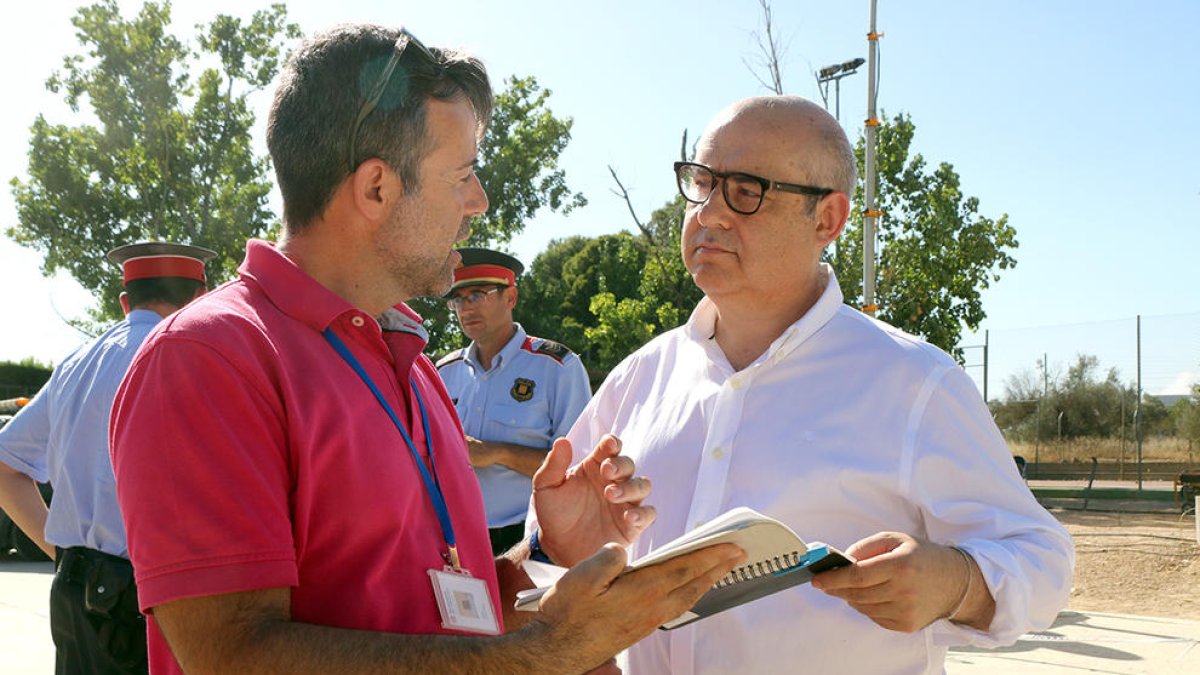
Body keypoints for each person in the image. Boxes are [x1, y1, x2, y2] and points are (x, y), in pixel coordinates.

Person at [107, 24, 743, 675]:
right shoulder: (208, 359)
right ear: (376, 188)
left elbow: (446, 611)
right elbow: (234, 655)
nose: (479, 202)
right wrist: (546, 654)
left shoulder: (411, 365)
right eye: (463, 175)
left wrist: (551, 549)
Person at [550, 96, 1075, 674]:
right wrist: (566, 551)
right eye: (701, 184)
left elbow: (1041, 558)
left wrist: (958, 585)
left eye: (746, 190)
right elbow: (560, 552)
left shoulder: (913, 381)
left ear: (827, 219)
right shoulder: (639, 378)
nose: (709, 215)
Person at [0, 241, 213, 675]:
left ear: (124, 301)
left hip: (72, 590)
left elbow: (5, 464)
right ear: (201, 297)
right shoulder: (190, 354)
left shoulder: (76, 363)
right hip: (148, 596)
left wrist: (63, 551)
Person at [438, 247, 592, 554]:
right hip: (458, 536)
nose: (465, 308)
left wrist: (497, 453)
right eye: (458, 299)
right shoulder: (444, 374)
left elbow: (579, 468)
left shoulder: (556, 367)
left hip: (533, 537)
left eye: (478, 295)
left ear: (511, 298)